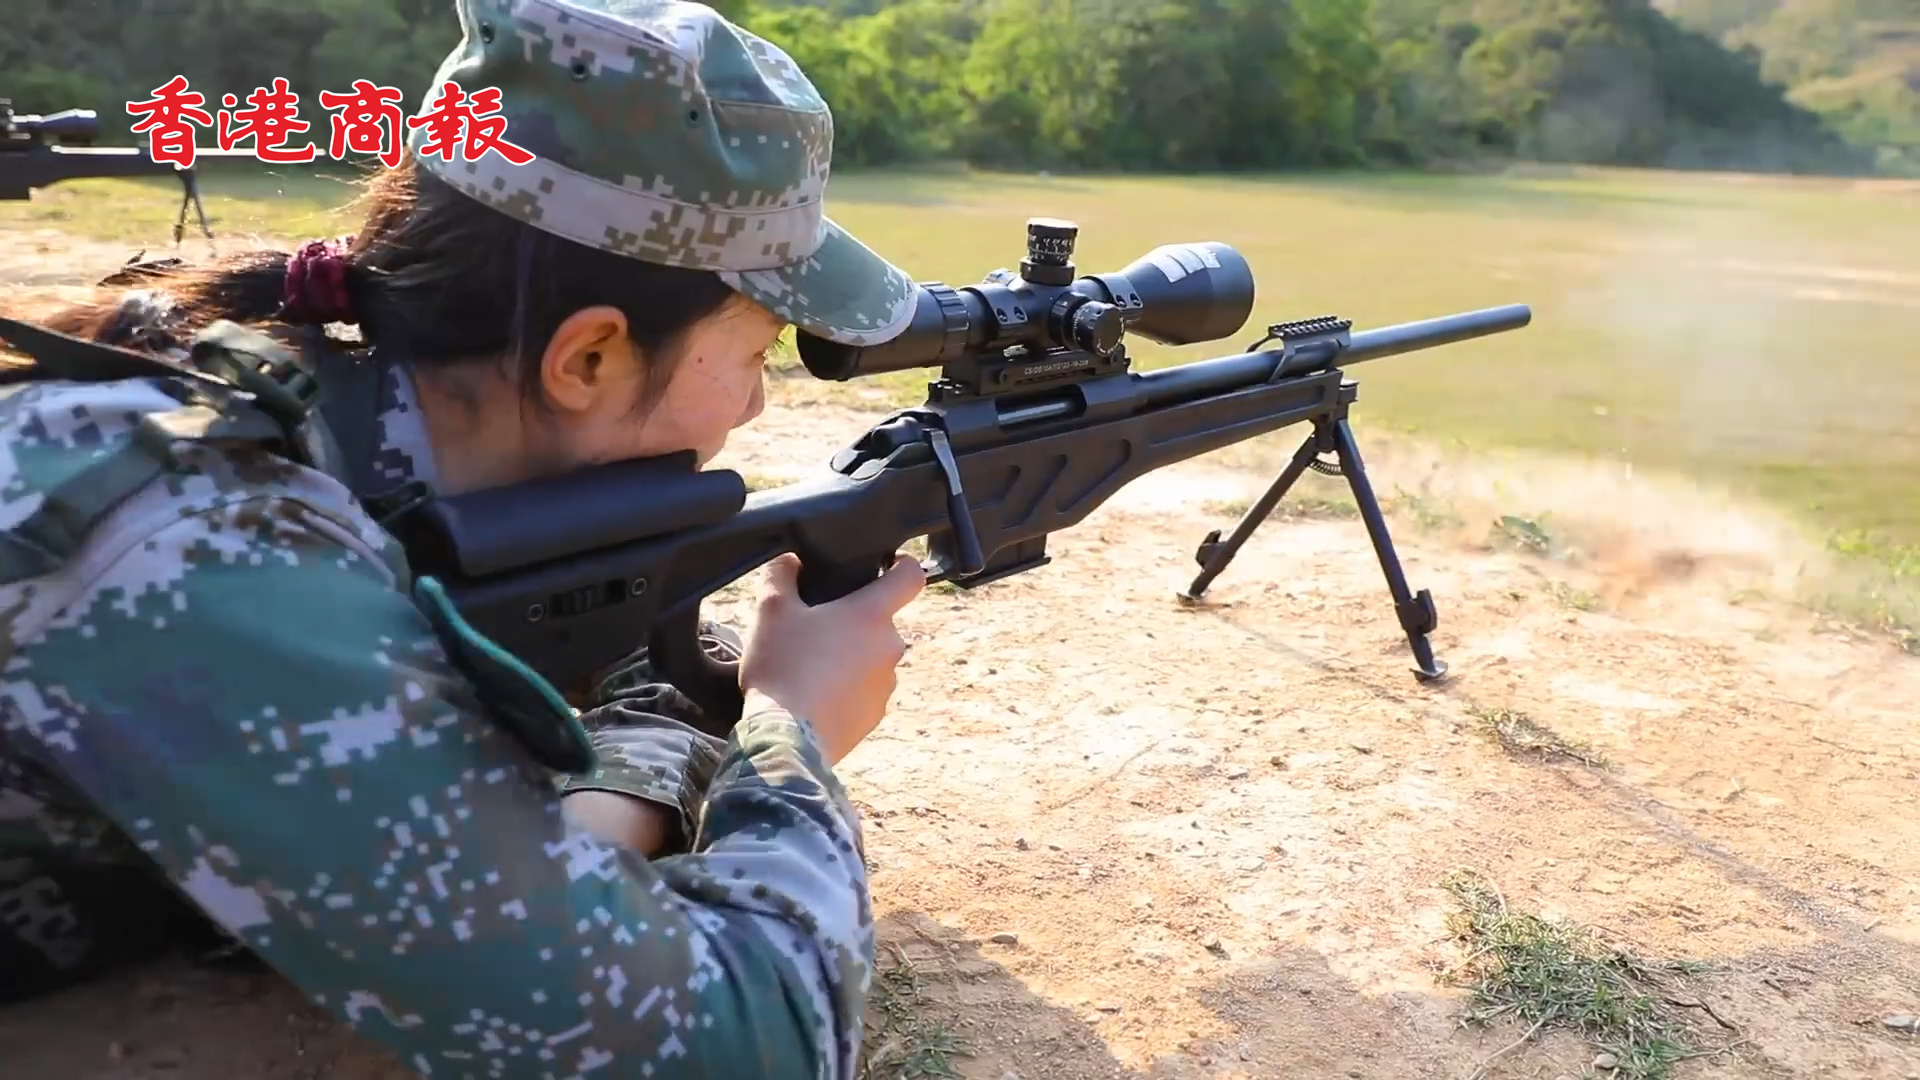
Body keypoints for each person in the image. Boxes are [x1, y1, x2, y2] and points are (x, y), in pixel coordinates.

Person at [0, 1, 928, 1076]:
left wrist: (612, 800)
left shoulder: (327, 398)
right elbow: (748, 1043)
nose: (754, 408)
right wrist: (792, 734)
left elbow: (616, 660)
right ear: (588, 358)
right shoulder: (214, 549)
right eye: (757, 352)